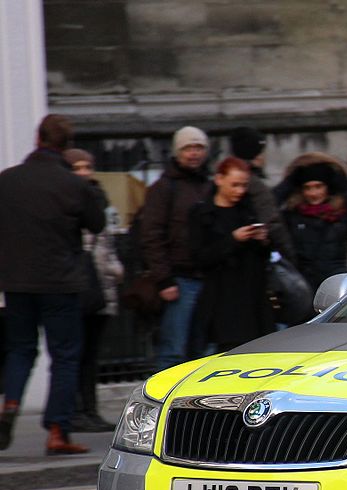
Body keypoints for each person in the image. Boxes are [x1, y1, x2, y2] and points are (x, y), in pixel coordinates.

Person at [0, 114, 105, 453]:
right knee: (65, 355)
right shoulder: (73, 185)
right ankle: (58, 431)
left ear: (37, 139)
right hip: (60, 280)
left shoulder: (7, 180)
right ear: (67, 146)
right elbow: (98, 224)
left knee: (19, 349)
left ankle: (10, 405)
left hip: (16, 280)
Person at [139, 125, 212, 370]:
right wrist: (164, 279)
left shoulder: (209, 185)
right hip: (179, 281)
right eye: (188, 148)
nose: (194, 153)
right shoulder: (164, 188)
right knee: (173, 351)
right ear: (177, 152)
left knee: (204, 350)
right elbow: (151, 234)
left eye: (199, 147)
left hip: (208, 278)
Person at [188, 157, 278, 353]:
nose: (240, 191)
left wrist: (263, 240)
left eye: (244, 185)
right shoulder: (202, 214)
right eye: (234, 185)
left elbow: (265, 256)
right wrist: (233, 239)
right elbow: (199, 257)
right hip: (222, 298)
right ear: (219, 179)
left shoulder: (247, 210)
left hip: (253, 296)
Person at [64, 148, 125, 433]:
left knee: (92, 355)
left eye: (88, 166)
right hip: (77, 285)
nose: (85, 172)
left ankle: (90, 409)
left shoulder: (98, 197)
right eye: (77, 167)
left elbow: (107, 240)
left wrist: (115, 269)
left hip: (101, 285)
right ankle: (74, 410)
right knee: (74, 352)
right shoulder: (64, 199)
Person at [278, 152, 347, 293]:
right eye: (308, 187)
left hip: (336, 281)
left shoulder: (339, 212)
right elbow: (268, 212)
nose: (313, 193)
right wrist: (287, 184)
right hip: (303, 284)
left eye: (318, 186)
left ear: (328, 187)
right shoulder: (293, 214)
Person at [228, 126, 295, 265]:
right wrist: (290, 256)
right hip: (254, 258)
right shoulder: (254, 184)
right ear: (255, 155)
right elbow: (272, 222)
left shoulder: (224, 179)